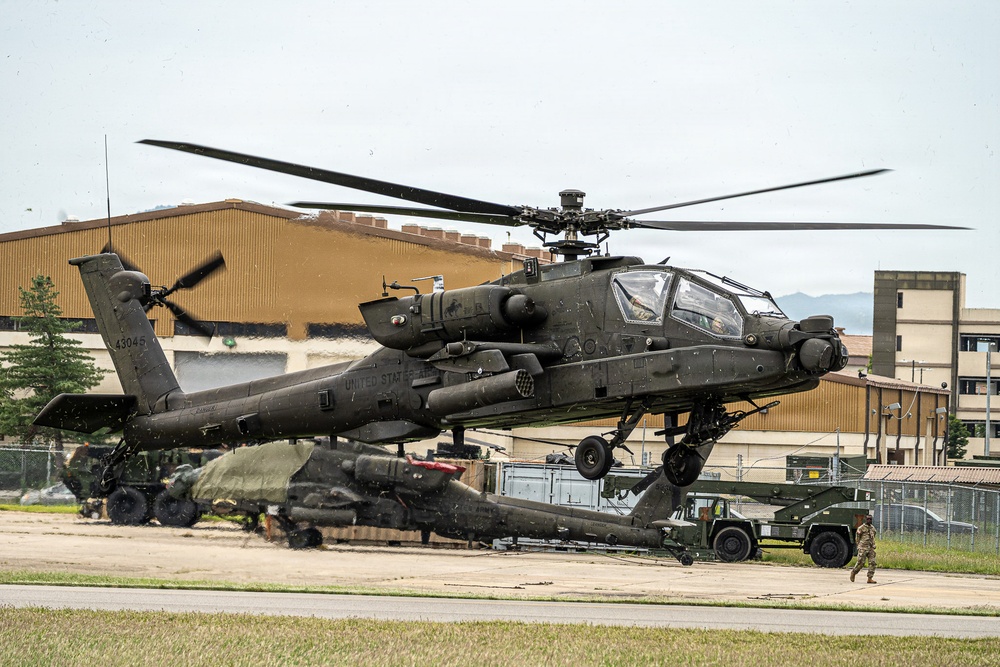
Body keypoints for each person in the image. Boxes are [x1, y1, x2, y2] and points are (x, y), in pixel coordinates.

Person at [850, 514, 877, 583]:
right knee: (861, 563)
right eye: (868, 519)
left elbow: (873, 537)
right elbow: (857, 538)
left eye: (870, 519)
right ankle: (854, 572)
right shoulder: (861, 528)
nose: (869, 520)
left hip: (870, 548)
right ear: (865, 519)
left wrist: (873, 545)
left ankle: (870, 578)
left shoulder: (873, 529)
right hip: (863, 547)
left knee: (872, 563)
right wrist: (859, 546)